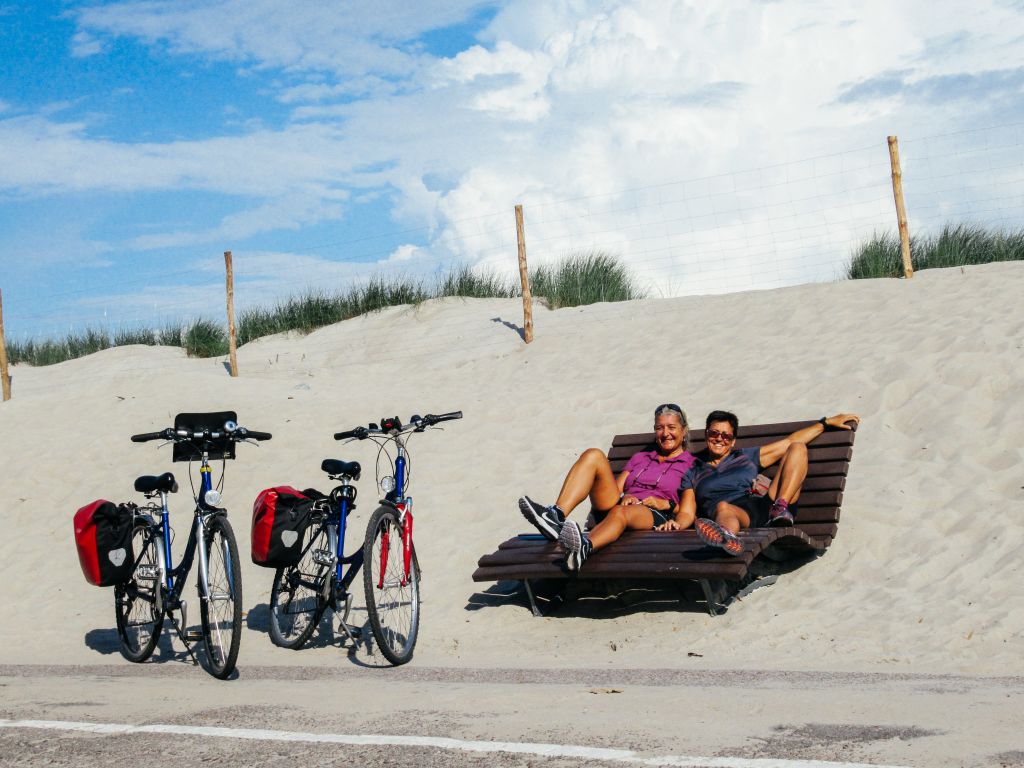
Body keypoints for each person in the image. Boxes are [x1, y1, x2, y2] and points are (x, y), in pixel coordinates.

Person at [518, 403, 696, 572]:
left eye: (671, 427)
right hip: (620, 506)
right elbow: (616, 490)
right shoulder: (640, 457)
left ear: (683, 430)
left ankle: (584, 549)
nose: (665, 433)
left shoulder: (692, 465)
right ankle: (555, 515)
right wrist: (625, 496)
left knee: (621, 512)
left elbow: (691, 510)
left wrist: (666, 504)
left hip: (652, 515)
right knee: (593, 454)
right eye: (659, 428)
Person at [658, 409, 860, 556]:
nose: (720, 438)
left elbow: (790, 442)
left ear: (733, 440)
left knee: (798, 447)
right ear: (706, 436)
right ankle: (726, 537)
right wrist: (677, 523)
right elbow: (687, 511)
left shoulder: (746, 457)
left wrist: (825, 423)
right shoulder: (693, 472)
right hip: (728, 513)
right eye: (714, 433)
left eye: (726, 435)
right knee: (723, 507)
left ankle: (780, 508)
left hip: (760, 506)